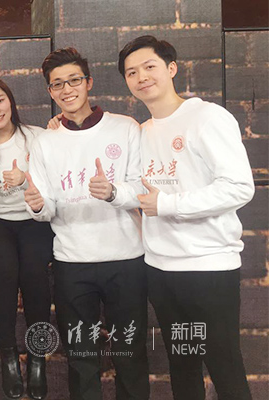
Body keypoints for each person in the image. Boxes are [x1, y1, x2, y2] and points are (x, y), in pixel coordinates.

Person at [118, 35, 254, 400]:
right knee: (182, 365)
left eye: (149, 67)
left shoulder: (207, 118)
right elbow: (140, 191)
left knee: (225, 366)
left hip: (208, 267)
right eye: (132, 72)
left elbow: (239, 187)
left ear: (171, 68)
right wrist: (113, 193)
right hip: (161, 270)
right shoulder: (143, 131)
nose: (142, 77)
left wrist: (167, 204)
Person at [25, 47, 150, 399]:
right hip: (72, 262)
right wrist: (38, 205)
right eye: (58, 84)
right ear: (50, 91)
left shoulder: (125, 128)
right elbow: (46, 207)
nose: (67, 89)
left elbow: (142, 187)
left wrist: (113, 192)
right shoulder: (45, 142)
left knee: (130, 353)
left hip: (126, 258)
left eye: (74, 80)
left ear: (88, 82)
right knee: (80, 358)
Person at [0, 76, 53, 400]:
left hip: (34, 218)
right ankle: (8, 356)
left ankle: (37, 357)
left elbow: (55, 183)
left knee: (34, 272)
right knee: (5, 271)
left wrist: (26, 180)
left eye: (0, 100)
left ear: (11, 100)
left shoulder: (37, 137)